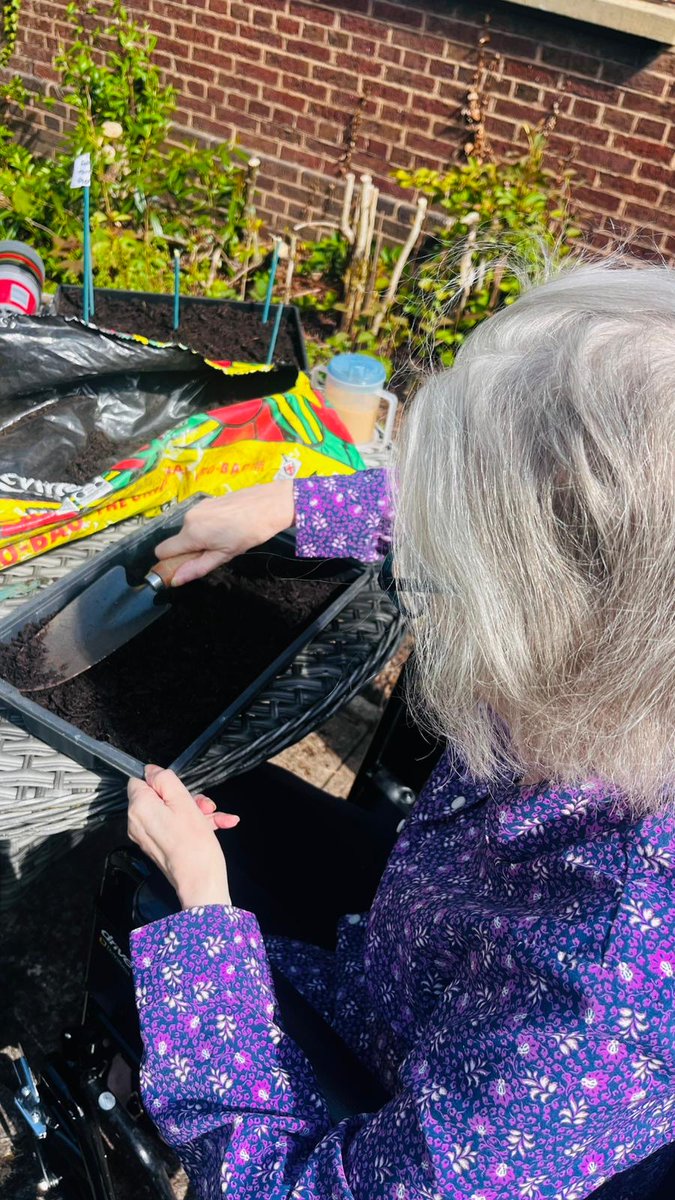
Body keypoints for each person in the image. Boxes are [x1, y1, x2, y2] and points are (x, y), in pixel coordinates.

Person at [127, 263, 675, 1200]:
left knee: (130, 873)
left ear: (583, 597)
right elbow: (558, 507)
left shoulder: (609, 998)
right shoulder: (633, 627)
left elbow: (289, 1189)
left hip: (386, 1102)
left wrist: (202, 922)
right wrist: (304, 506)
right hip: (413, 952)